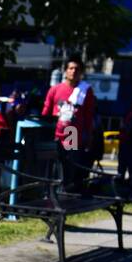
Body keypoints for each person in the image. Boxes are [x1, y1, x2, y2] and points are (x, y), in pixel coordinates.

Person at [42, 57, 97, 192]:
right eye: (71, 68)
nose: (73, 71)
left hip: (72, 133)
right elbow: (45, 112)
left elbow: (89, 116)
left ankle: (65, 195)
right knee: (53, 167)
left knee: (69, 167)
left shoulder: (85, 91)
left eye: (77, 69)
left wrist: (89, 136)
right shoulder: (55, 89)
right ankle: (49, 195)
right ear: (65, 71)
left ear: (81, 72)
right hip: (55, 133)